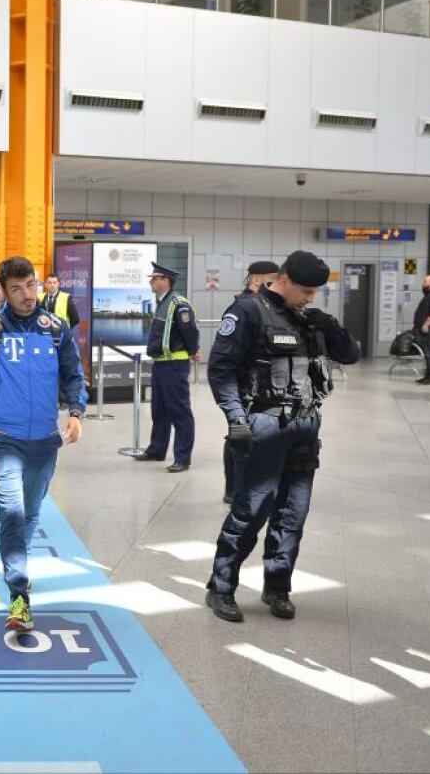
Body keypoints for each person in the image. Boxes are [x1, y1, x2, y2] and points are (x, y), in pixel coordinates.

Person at [204, 251, 360, 622]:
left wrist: (330, 325)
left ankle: (277, 587)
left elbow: (351, 355)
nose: (310, 298)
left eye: (316, 292)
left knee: (294, 512)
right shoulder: (248, 311)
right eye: (305, 290)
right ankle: (221, 587)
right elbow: (221, 369)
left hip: (305, 427)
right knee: (251, 510)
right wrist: (235, 419)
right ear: (283, 278)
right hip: (264, 425)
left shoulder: (311, 319)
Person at [0, 257, 87, 630]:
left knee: (30, 513)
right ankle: (19, 595)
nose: (27, 294)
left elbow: (74, 377)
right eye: (16, 289)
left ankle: (19, 567)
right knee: (12, 516)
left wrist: (76, 412)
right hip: (3, 438)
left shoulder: (56, 329)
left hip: (45, 441)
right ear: (4, 291)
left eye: (30, 285)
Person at [131, 262, 200, 473]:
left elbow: (190, 332)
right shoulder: (162, 302)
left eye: (154, 278)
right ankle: (156, 450)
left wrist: (193, 350)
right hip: (161, 364)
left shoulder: (179, 304)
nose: (151, 281)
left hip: (175, 365)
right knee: (159, 411)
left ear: (165, 280)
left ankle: (182, 458)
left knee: (180, 412)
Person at [221, 260, 280, 504]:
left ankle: (260, 486)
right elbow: (225, 358)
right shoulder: (241, 308)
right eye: (272, 280)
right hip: (244, 386)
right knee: (239, 436)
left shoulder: (272, 306)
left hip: (269, 386)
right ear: (257, 281)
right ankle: (233, 487)